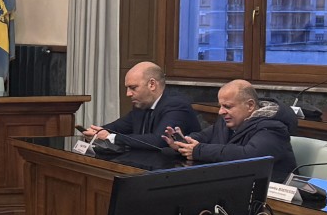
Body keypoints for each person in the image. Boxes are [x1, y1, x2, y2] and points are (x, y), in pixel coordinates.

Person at [167, 79, 296, 182]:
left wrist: (198, 150)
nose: (221, 112)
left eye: (227, 106)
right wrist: (183, 144)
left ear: (250, 105)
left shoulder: (273, 127)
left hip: (271, 195)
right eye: (220, 106)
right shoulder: (227, 122)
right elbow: (202, 137)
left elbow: (249, 156)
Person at [80, 61, 200, 149]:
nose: (128, 94)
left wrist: (110, 137)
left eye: (133, 88)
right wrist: (96, 132)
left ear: (152, 84)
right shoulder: (142, 105)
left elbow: (159, 141)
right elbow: (118, 127)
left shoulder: (176, 105)